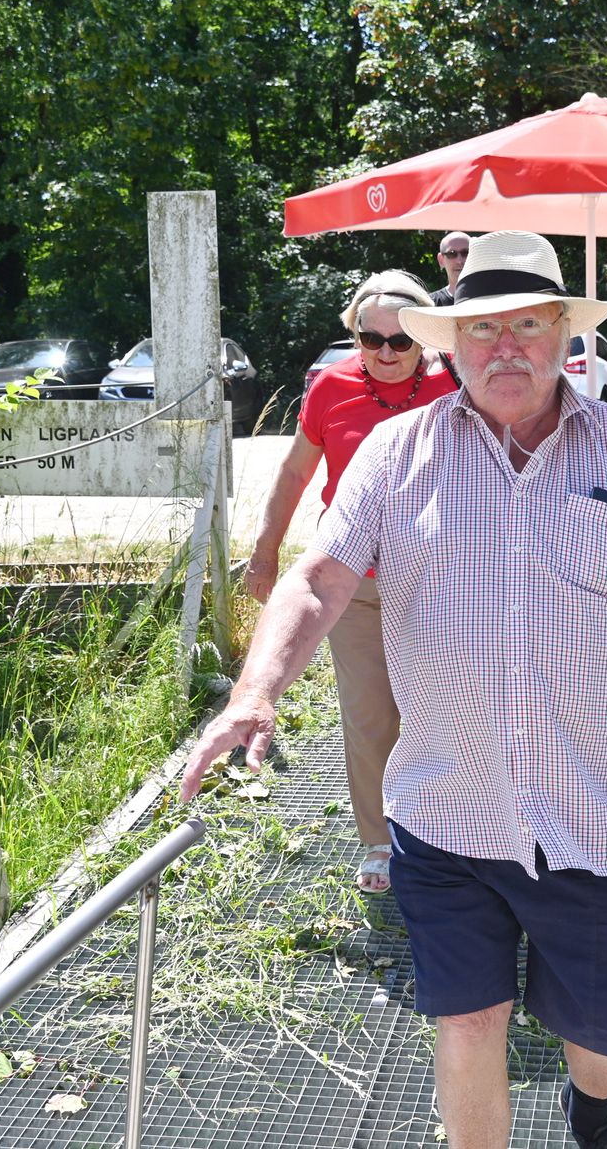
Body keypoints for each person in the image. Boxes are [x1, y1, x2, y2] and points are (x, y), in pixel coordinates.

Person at [182, 231, 607, 1149]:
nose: (505, 346)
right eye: (482, 328)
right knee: (469, 1021)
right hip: (447, 814)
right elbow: (319, 579)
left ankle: (591, 1104)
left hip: (597, 811)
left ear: (564, 333)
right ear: (453, 342)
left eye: (528, 324)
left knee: (604, 1038)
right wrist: (255, 690)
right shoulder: (397, 453)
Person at [243, 270, 458, 894]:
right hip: (356, 582)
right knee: (369, 716)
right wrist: (264, 553)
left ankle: (453, 830)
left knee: (451, 710)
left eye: (401, 340)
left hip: (444, 581)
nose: (386, 353)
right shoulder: (331, 388)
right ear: (355, 336)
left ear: (424, 336)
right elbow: (294, 473)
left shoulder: (456, 385)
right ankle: (380, 841)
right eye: (371, 339)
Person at [429, 231, 472, 306]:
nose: (459, 261)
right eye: (452, 254)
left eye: (465, 253)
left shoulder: (490, 299)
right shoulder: (430, 304)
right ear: (441, 260)